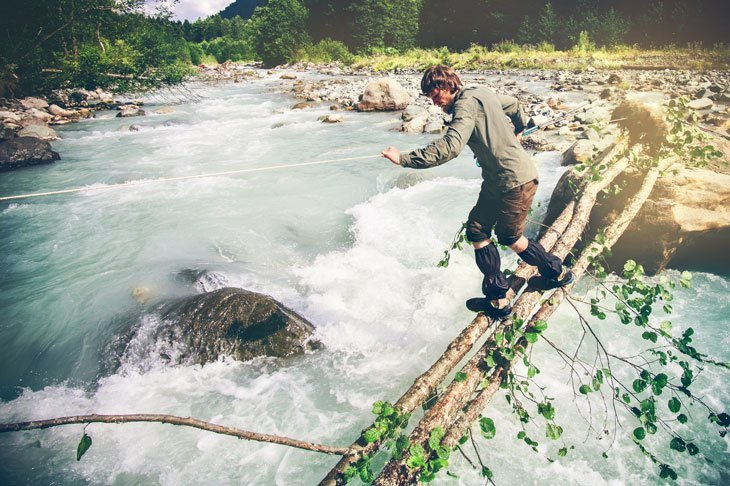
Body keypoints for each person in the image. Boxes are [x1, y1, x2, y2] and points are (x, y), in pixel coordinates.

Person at [381, 65, 573, 318]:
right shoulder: (482, 92)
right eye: (429, 95)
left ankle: (556, 272)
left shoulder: (464, 105)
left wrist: (403, 159)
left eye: (436, 92)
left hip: (514, 180)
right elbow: (514, 105)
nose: (434, 100)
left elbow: (450, 146)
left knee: (509, 238)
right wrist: (518, 128)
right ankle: (497, 297)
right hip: (498, 180)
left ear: (450, 84)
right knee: (477, 229)